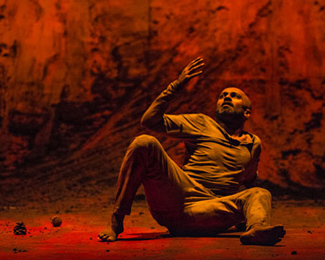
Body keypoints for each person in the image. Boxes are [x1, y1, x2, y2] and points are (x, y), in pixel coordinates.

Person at [98, 57, 285, 245]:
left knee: (261, 193)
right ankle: (116, 221)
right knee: (144, 142)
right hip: (177, 200)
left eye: (235, 96)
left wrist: (248, 215)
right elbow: (150, 120)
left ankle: (258, 230)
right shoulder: (201, 123)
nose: (227, 97)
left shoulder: (253, 144)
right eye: (222, 96)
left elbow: (250, 181)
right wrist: (176, 85)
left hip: (211, 212)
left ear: (247, 112)